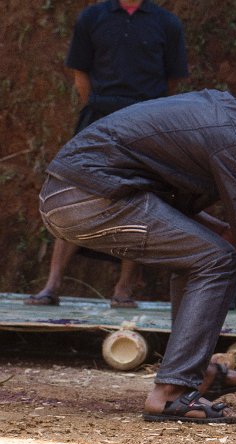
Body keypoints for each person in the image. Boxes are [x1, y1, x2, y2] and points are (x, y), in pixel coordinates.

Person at [37, 62, 236, 423]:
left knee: (206, 252)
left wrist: (221, 232)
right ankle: (171, 393)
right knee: (217, 260)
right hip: (85, 198)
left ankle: (193, 374)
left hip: (74, 192)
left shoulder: (225, 114)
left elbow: (171, 196)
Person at [27, 0, 188, 308]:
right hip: (97, 120)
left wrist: (147, 115)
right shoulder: (92, 17)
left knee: (140, 199)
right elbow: (80, 74)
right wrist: (100, 112)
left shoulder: (166, 23)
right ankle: (51, 285)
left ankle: (124, 290)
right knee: (76, 194)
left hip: (146, 122)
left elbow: (171, 80)